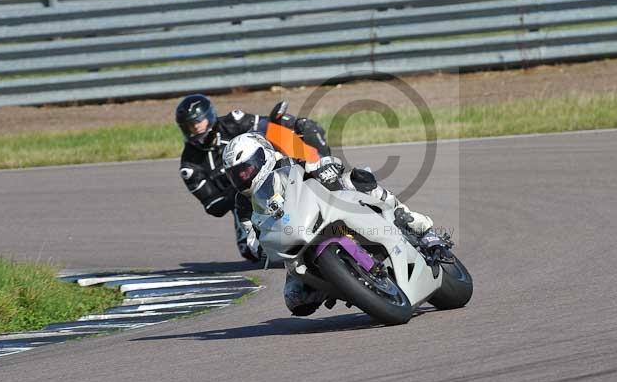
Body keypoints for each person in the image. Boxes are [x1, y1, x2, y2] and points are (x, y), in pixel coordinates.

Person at [221, 132, 434, 317]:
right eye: (236, 174)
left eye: (246, 169)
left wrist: (327, 167)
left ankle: (405, 217)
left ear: (262, 155)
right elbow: (249, 237)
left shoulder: (287, 163)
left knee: (356, 178)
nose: (243, 176)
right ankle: (345, 284)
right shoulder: (243, 203)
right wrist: (259, 246)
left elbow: (319, 163)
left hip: (328, 212)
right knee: (296, 300)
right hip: (297, 244)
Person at [176, 94, 329, 262]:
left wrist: (286, 124)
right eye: (190, 125)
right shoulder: (189, 165)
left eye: (199, 121)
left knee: (288, 127)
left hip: (273, 167)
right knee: (252, 251)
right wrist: (241, 183)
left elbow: (267, 126)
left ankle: (323, 169)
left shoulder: (233, 121)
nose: (196, 127)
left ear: (209, 116)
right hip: (245, 198)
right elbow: (213, 206)